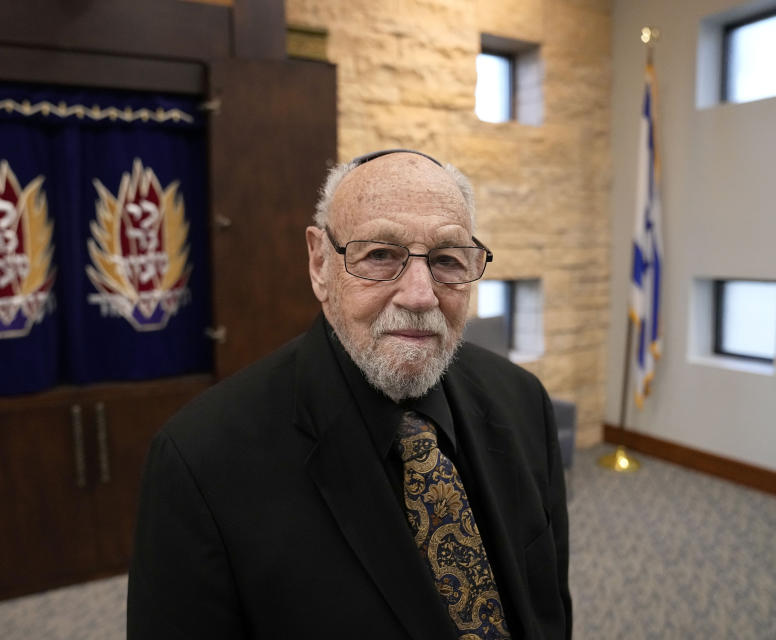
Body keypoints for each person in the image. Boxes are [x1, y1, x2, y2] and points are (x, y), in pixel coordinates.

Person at [127, 149, 571, 639]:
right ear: (320, 264)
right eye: (380, 255)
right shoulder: (198, 462)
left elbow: (547, 606)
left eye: (447, 260)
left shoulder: (522, 400)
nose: (420, 295)